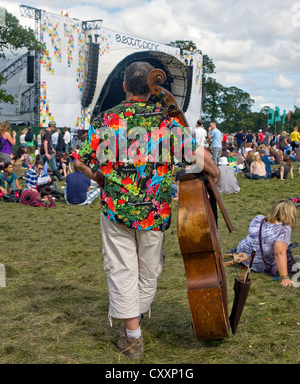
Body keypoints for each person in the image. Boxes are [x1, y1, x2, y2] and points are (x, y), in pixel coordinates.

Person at [75, 61, 220, 360]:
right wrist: (215, 173)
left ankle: (132, 333)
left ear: (125, 86)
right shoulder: (167, 121)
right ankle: (134, 328)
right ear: (151, 88)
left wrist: (100, 178)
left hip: (116, 208)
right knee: (149, 269)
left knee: (122, 268)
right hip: (155, 211)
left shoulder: (106, 119)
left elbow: (80, 162)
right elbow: (196, 154)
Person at [237, 200, 297, 287]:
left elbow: (259, 236)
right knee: (286, 254)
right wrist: (285, 278)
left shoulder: (258, 218)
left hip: (242, 255)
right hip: (257, 264)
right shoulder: (285, 228)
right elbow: (279, 253)